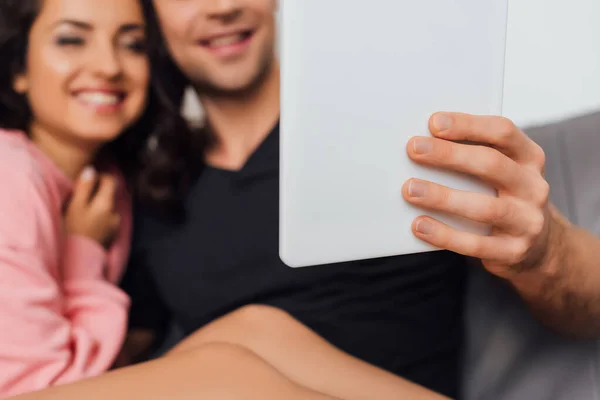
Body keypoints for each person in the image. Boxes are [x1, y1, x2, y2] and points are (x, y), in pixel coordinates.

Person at [123, 0, 600, 396]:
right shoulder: (150, 196)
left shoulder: (398, 128)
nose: (223, 6)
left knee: (247, 339)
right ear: (151, 19)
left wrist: (548, 251)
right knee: (241, 343)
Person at [0, 1, 465, 399]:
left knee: (255, 331)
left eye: (130, 43)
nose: (107, 65)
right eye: (71, 40)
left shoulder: (111, 191)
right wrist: (84, 259)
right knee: (232, 360)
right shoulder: (35, 177)